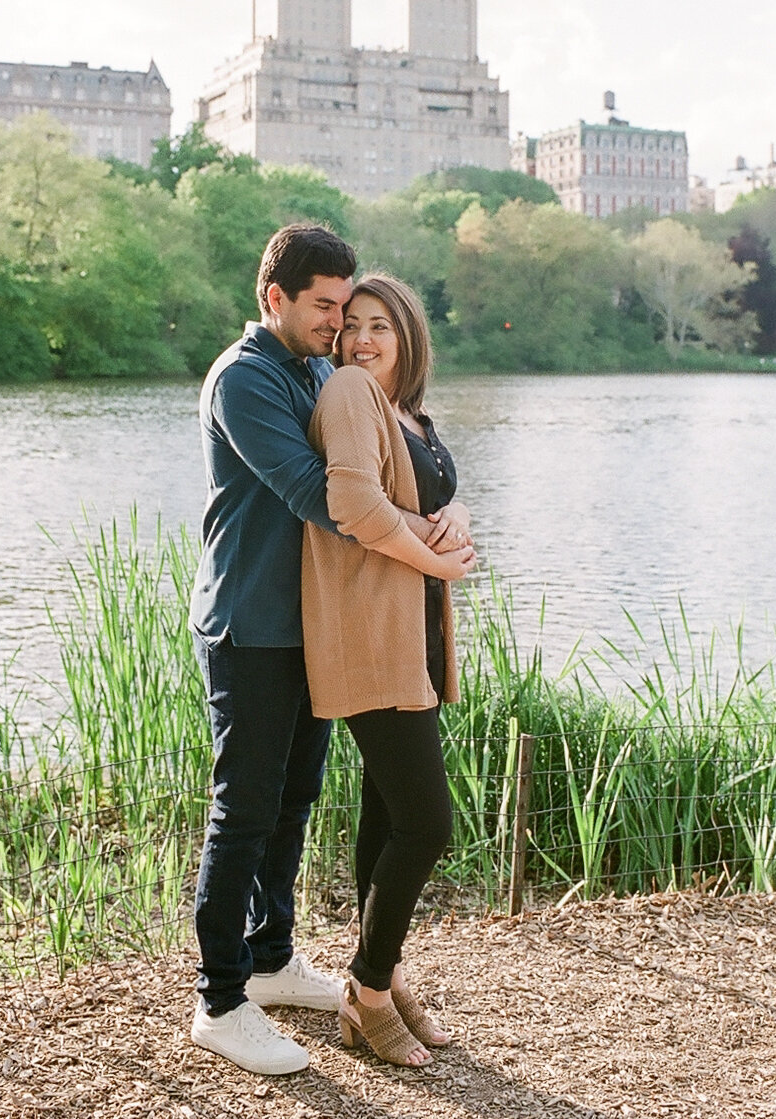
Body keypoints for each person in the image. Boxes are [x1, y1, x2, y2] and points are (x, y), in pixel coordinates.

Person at [187, 228, 459, 1076]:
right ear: (276, 297)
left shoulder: (312, 367)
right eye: (325, 307)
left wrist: (445, 515)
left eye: (347, 308)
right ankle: (220, 999)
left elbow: (387, 464)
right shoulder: (244, 378)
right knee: (245, 810)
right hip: (250, 622)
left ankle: (270, 959)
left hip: (310, 624)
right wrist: (432, 541)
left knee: (296, 797)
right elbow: (325, 495)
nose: (339, 324)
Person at [302, 274, 476, 1068]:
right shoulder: (346, 391)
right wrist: (438, 562)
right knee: (426, 823)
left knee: (385, 814)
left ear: (408, 337)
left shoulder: (409, 412)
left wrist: (457, 524)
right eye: (352, 324)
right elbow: (356, 508)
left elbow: (438, 501)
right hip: (372, 636)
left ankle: (387, 973)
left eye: (380, 326)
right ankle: (367, 991)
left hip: (416, 641)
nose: (362, 338)